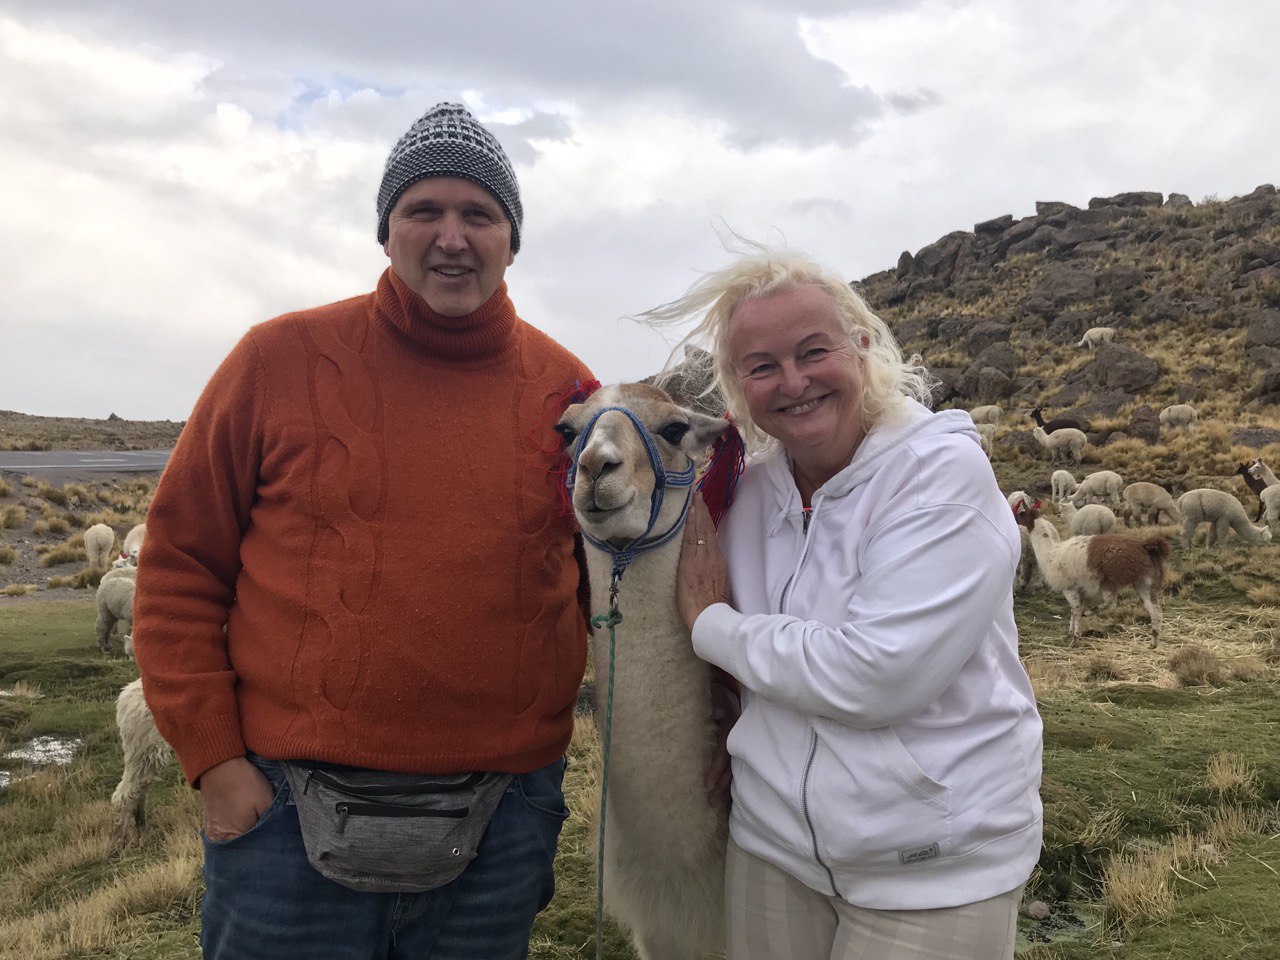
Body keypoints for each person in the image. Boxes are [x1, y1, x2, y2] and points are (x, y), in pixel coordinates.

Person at [133, 102, 593, 960]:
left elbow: (610, 579)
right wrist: (216, 764)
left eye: (478, 215)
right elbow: (178, 569)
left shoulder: (568, 392)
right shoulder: (276, 361)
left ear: (512, 239)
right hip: (282, 816)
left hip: (503, 818)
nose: (451, 236)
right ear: (387, 232)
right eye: (424, 211)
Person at [662, 245, 1043, 960]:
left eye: (814, 352)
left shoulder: (938, 474)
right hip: (772, 850)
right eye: (763, 366)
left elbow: (878, 675)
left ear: (862, 348)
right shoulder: (748, 491)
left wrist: (713, 628)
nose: (794, 381)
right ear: (738, 387)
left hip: (932, 868)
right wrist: (720, 704)